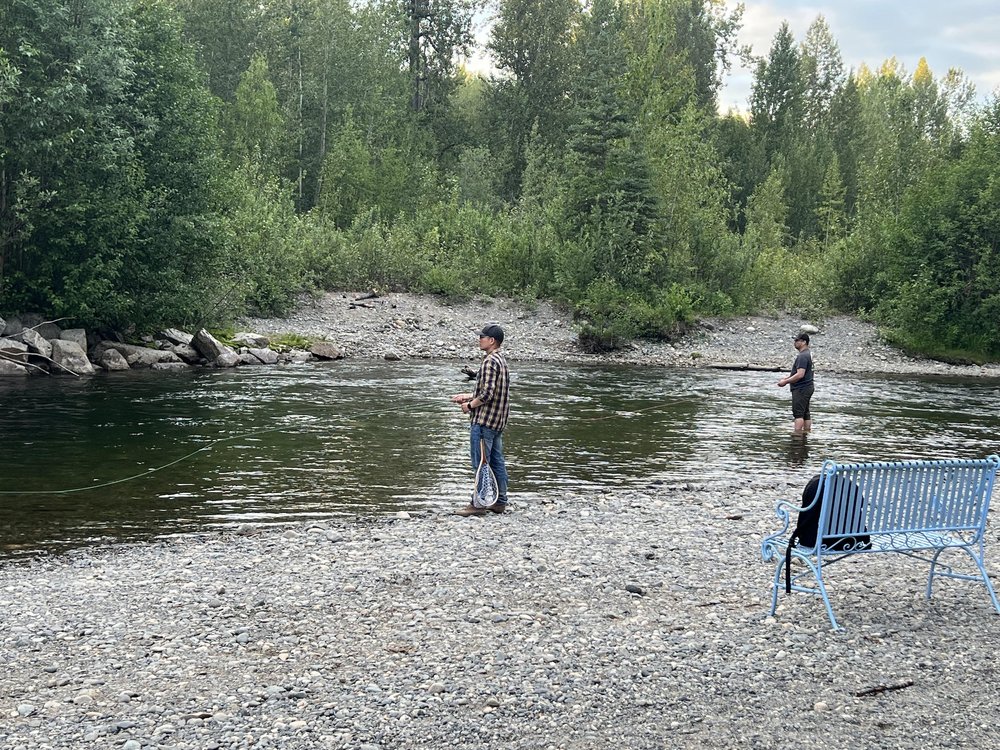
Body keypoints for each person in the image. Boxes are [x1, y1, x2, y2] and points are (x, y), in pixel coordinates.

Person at [450, 324, 510, 516]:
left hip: (484, 422)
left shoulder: (489, 362)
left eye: (482, 337)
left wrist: (469, 406)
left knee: (481, 463)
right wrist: (467, 396)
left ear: (491, 340)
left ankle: (478, 504)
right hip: (497, 422)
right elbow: (492, 391)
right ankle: (500, 502)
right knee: (496, 461)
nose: (479, 339)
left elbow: (487, 395)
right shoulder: (501, 360)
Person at [777, 332, 814, 433]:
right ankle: (806, 434)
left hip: (801, 388)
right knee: (805, 413)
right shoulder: (807, 354)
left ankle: (797, 437)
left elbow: (800, 374)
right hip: (808, 387)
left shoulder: (802, 356)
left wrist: (785, 382)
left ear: (804, 342)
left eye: (797, 340)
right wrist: (788, 377)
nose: (795, 342)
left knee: (798, 414)